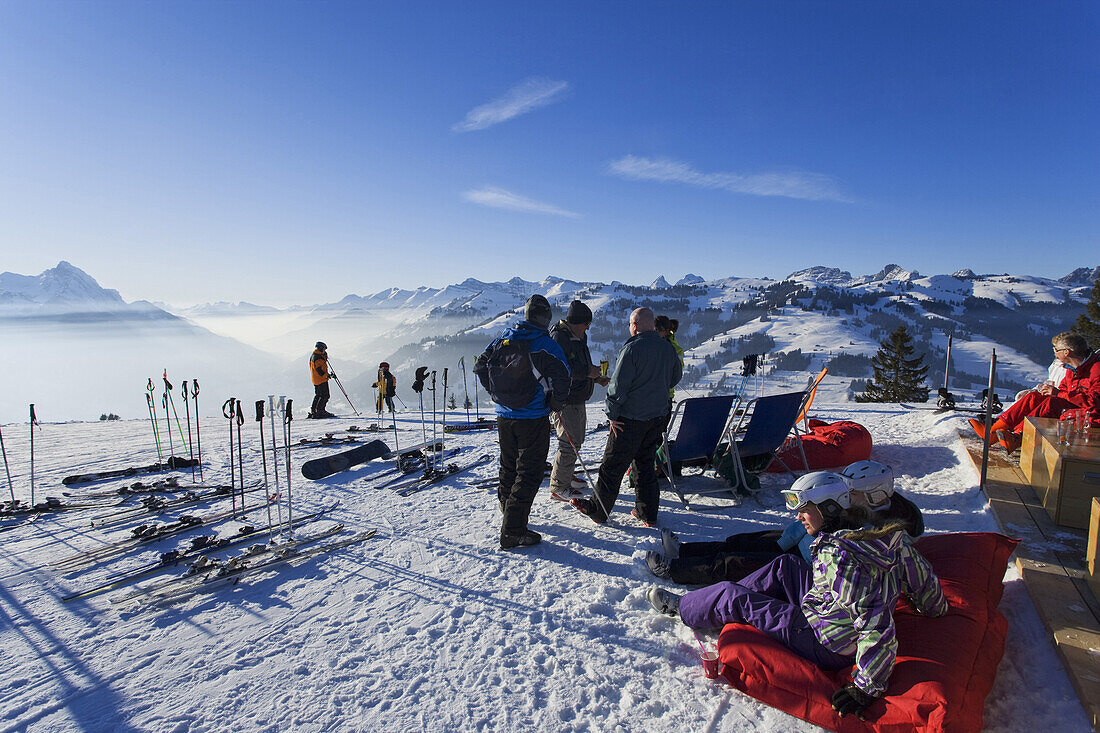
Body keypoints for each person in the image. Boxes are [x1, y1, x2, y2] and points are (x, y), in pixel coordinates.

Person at [646, 474, 948, 720]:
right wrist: (935, 606)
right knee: (784, 565)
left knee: (733, 595)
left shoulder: (840, 559)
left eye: (805, 509)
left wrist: (866, 687)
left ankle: (684, 608)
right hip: (828, 608)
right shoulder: (884, 536)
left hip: (825, 640)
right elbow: (922, 578)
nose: (799, 517)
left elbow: (875, 624)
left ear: (829, 508)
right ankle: (723, 604)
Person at [572, 307, 682, 527]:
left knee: (612, 466)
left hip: (629, 419)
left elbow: (618, 386)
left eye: (630, 324)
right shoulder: (667, 348)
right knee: (645, 464)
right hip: (656, 418)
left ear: (635, 325)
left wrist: (612, 413)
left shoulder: (632, 349)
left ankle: (599, 510)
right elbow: (674, 378)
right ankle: (647, 513)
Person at [476, 294, 570, 550]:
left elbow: (480, 366)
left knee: (508, 467)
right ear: (546, 317)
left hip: (504, 416)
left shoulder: (503, 338)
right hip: (532, 417)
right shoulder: (543, 344)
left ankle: (508, 512)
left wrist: (497, 395)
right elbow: (564, 377)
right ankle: (513, 531)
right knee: (529, 473)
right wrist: (556, 403)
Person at [970, 331, 1099, 452]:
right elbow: (1065, 389)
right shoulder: (1074, 369)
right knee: (1034, 397)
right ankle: (992, 431)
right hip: (1073, 407)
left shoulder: (1095, 369)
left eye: (1057, 350)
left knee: (1051, 403)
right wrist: (1051, 392)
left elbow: (1094, 402)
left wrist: (1058, 394)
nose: (1055, 352)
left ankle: (1017, 437)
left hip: (1088, 416)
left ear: (1066, 352)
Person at [548, 300, 611, 501]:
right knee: (569, 443)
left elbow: (578, 365)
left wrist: (595, 376)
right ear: (578, 322)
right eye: (586, 324)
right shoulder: (560, 338)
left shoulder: (575, 337)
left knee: (576, 441)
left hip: (576, 397)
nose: (588, 329)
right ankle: (559, 486)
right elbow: (561, 369)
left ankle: (566, 475)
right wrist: (589, 372)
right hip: (565, 400)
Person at [309, 341, 337, 419]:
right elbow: (320, 371)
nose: (325, 351)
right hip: (321, 380)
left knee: (318, 395)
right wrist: (329, 376)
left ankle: (314, 410)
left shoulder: (315, 355)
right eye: (324, 349)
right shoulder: (318, 358)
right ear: (321, 348)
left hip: (315, 379)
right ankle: (320, 411)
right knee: (325, 395)